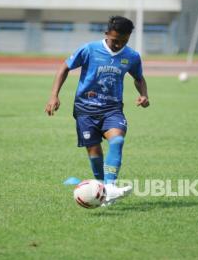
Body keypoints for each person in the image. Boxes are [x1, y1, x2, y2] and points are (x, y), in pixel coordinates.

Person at [45, 16, 150, 206]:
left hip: (112, 109)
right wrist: (54, 95)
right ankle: (102, 189)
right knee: (94, 151)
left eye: (123, 41)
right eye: (115, 40)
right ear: (107, 34)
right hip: (85, 109)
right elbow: (64, 68)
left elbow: (139, 77)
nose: (118, 45)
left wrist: (144, 95)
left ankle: (109, 188)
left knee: (117, 140)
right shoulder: (89, 49)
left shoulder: (132, 56)